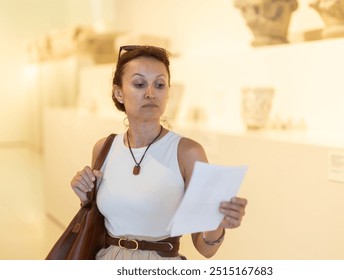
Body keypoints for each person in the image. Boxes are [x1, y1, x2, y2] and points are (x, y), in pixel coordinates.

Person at [70, 45, 248, 260]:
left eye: (160, 84)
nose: (151, 93)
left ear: (168, 92)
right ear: (118, 93)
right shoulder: (104, 148)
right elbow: (98, 218)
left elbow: (205, 248)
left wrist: (217, 223)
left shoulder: (188, 152)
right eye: (139, 84)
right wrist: (85, 196)